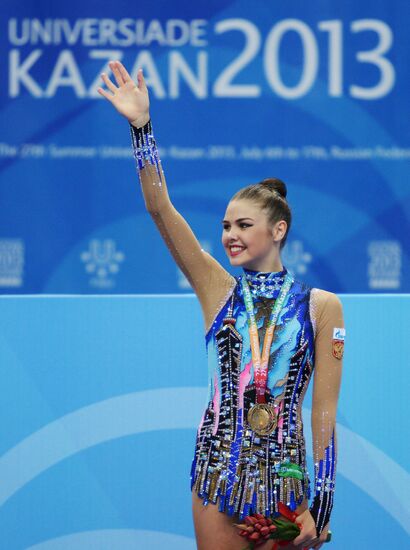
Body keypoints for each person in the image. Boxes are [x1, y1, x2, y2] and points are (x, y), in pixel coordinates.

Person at [98, 60, 344, 550]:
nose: (230, 235)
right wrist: (141, 128)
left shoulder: (321, 306)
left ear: (278, 230)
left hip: (286, 482)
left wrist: (322, 504)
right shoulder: (218, 288)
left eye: (243, 225)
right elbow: (159, 208)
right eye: (226, 226)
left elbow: (325, 412)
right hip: (216, 477)